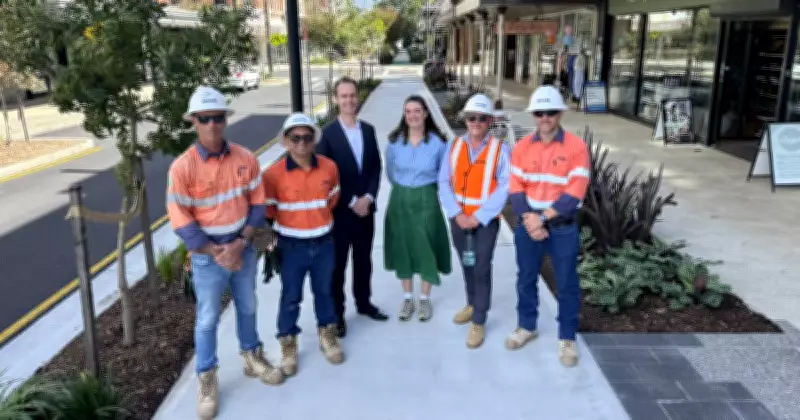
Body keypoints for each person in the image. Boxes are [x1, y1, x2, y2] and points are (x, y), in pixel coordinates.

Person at [166, 86, 284, 420]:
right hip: (207, 256)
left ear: (225, 120)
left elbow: (258, 204)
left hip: (241, 247)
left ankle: (251, 355)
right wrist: (213, 250)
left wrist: (240, 243)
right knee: (207, 318)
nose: (212, 124)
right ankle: (206, 376)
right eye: (205, 119)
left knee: (248, 305)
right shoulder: (182, 168)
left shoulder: (246, 159)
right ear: (193, 122)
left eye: (218, 117)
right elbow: (180, 217)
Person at [506, 85, 590, 367]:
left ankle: (567, 337)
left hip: (561, 226)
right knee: (526, 278)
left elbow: (574, 192)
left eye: (550, 112)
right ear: (533, 115)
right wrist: (530, 220)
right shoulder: (521, 147)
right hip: (528, 222)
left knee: (566, 282)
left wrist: (542, 219)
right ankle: (526, 326)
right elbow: (516, 187)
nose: (545, 118)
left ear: (560, 114)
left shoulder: (576, 147)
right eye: (539, 113)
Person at [263, 113, 344, 377]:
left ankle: (327, 335)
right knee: (291, 297)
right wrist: (269, 244)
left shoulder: (329, 168)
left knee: (325, 292)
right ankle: (288, 344)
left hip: (324, 243)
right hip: (291, 247)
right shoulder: (272, 175)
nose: (301, 142)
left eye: (307, 137)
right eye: (295, 137)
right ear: (286, 140)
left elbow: (332, 200)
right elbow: (268, 212)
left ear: (314, 140)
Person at [437, 93, 511, 349]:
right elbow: (444, 181)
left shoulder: (500, 150)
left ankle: (479, 318)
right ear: (465, 120)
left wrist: (478, 217)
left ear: (490, 121)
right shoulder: (454, 146)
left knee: (481, 266)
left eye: (481, 118)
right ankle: (471, 303)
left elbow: (505, 186)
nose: (476, 123)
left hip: (485, 222)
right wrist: (457, 214)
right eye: (471, 118)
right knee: (467, 263)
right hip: (459, 220)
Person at [316, 76, 388, 338]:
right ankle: (338, 314)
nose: (349, 100)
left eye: (352, 95)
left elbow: (375, 167)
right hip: (340, 213)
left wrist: (368, 197)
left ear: (357, 97)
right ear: (336, 99)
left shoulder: (368, 130)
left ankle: (364, 303)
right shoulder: (327, 135)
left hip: (365, 212)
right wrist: (351, 201)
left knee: (363, 261)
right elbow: (324, 177)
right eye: (344, 96)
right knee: (338, 267)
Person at [384, 95, 451, 322]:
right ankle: (407, 298)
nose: (412, 115)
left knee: (426, 246)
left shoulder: (438, 144)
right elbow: (391, 173)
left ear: (425, 113)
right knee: (402, 246)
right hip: (400, 199)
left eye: (417, 110)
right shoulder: (395, 143)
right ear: (404, 115)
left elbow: (444, 174)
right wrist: (404, 188)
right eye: (408, 111)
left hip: (426, 198)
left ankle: (424, 299)